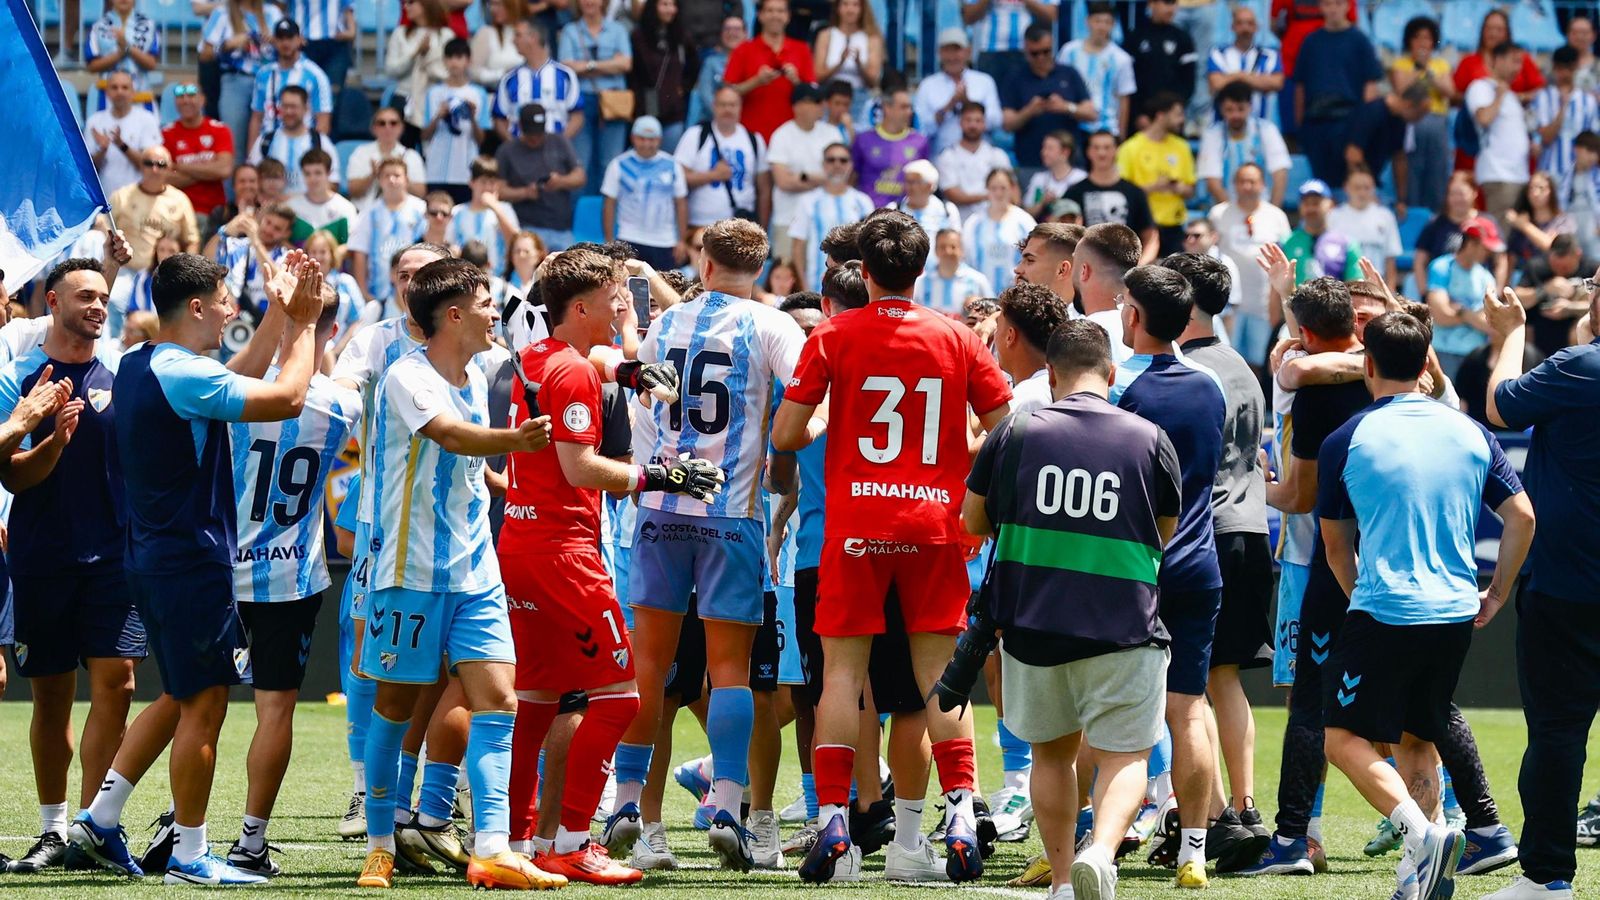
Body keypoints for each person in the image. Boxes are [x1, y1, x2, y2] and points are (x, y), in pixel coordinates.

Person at [66, 251, 323, 885]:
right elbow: (289, 397)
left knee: (181, 693)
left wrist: (277, 314)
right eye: (226, 302)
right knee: (204, 705)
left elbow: (233, 379)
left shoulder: (142, 361)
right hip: (189, 562)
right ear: (200, 306)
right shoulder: (184, 374)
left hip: (154, 559)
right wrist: (304, 323)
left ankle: (99, 820)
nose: (233, 312)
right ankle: (189, 853)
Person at [772, 210, 1012, 885]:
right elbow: (1006, 428)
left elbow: (787, 434)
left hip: (854, 528)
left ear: (865, 270)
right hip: (933, 524)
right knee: (940, 676)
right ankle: (958, 812)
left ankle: (833, 824)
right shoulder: (956, 336)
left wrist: (828, 414)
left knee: (842, 679)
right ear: (922, 267)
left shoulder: (833, 333)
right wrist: (955, 449)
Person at [498, 249, 711, 885]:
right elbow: (580, 468)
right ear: (581, 306)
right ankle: (571, 840)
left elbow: (588, 362)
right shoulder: (570, 371)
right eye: (613, 296)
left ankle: (521, 843)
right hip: (565, 555)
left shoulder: (540, 355)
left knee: (536, 702)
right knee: (620, 698)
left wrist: (628, 369)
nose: (623, 306)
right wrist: (661, 476)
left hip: (522, 545)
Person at [600, 219, 805, 874]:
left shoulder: (667, 324)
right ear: (760, 268)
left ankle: (627, 804)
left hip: (660, 508)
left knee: (649, 667)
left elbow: (640, 390)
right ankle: (726, 808)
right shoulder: (773, 325)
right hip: (731, 514)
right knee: (730, 671)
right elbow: (806, 392)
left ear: (704, 263)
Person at [349, 257, 560, 891]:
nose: (496, 313)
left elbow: (467, 459)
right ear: (453, 314)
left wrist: (500, 481)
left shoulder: (476, 373)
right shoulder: (406, 376)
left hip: (474, 567)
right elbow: (450, 436)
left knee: (498, 699)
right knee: (395, 705)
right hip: (408, 569)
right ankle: (380, 844)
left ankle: (491, 847)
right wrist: (516, 444)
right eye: (486, 303)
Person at [1319, 309, 1533, 900]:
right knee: (1417, 739)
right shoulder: (1470, 431)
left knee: (1340, 738)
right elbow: (1522, 516)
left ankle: (1421, 834)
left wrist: (1363, 599)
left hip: (1385, 608)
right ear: (1426, 366)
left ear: (1367, 364)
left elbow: (1336, 548)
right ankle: (1419, 874)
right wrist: (1497, 591)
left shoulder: (1347, 438)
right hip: (1454, 612)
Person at [963, 316, 1179, 900]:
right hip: (1125, 623)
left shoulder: (1015, 431)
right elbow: (1163, 531)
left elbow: (973, 521)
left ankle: (1062, 881)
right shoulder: (1149, 438)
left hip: (1033, 622)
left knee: (1051, 757)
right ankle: (1102, 852)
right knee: (1126, 755)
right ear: (1111, 374)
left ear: (1050, 375)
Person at [0, 260, 135, 876]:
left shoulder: (124, 375)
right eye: (84, 295)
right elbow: (12, 476)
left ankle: (94, 825)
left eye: (103, 296)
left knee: (119, 685)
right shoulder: (19, 380)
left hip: (114, 561)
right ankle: (53, 829)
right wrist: (53, 440)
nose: (98, 305)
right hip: (42, 559)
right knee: (51, 697)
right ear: (52, 302)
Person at [223, 275, 359, 876]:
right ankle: (251, 842)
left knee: (191, 704)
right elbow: (333, 375)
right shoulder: (341, 406)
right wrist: (310, 326)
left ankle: (178, 829)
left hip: (223, 571)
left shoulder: (236, 389)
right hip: (293, 578)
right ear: (331, 329)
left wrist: (284, 314)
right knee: (275, 712)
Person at [1107, 264, 1227, 888]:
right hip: (1199, 564)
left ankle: (1095, 838)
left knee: (1107, 712)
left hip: (1136, 568)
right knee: (1189, 709)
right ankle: (1194, 853)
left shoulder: (1120, 385)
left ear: (1133, 315)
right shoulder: (1211, 384)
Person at [1481, 280, 1600, 900]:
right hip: (1571, 583)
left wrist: (1513, 333)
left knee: (1556, 735)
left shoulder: (1581, 367)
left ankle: (1547, 878)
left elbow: (1500, 405)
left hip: (1569, 588)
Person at [1166, 251, 1274, 861]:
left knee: (1189, 684)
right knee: (1224, 679)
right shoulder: (1242, 367)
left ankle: (1212, 817)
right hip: (1252, 530)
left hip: (1202, 533)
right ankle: (1245, 804)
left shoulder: (1187, 370)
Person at [1209, 163, 1291, 366]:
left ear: (1263, 184)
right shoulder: (1218, 214)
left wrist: (1276, 305)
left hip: (1262, 306)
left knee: (1261, 361)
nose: (1247, 186)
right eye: (1242, 181)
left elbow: (1285, 259)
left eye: (1252, 181)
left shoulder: (1276, 216)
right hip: (1228, 306)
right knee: (1227, 361)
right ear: (1234, 184)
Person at [1293, 0, 1382, 187]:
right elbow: (1300, 86)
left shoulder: (1360, 41)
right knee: (1321, 184)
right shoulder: (1311, 42)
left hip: (1348, 120)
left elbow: (1370, 86)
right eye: (1328, 4)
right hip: (1315, 122)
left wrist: (1362, 128)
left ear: (1347, 6)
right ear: (1320, 7)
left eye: (1338, 3)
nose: (1333, 9)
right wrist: (1301, 125)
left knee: (1346, 182)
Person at [557, 0, 631, 195]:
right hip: (581, 101)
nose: (589, 2)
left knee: (610, 162)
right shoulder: (570, 31)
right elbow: (566, 67)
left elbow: (625, 64)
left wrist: (587, 66)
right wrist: (609, 65)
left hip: (613, 102)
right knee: (581, 162)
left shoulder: (617, 30)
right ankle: (581, 212)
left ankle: (607, 211)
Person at [770, 83, 850, 256]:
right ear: (798, 106)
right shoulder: (781, 135)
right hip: (788, 219)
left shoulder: (832, 133)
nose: (822, 105)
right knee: (786, 270)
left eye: (822, 100)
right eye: (816, 101)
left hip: (826, 219)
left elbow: (840, 176)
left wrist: (802, 177)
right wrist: (822, 180)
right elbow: (783, 182)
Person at [1002, 24, 1095, 170]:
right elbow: (1007, 124)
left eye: (1046, 51)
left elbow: (1091, 113)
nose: (1041, 57)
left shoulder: (1069, 74)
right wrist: (1029, 111)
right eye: (1035, 53)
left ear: (1053, 47)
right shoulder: (1015, 78)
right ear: (1026, 50)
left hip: (1069, 162)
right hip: (1031, 161)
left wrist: (1065, 107)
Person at [601, 116, 689, 272]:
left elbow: (681, 203)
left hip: (664, 241)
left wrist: (681, 240)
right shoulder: (618, 164)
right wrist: (609, 242)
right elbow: (609, 204)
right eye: (642, 138)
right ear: (633, 138)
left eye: (652, 139)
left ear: (659, 140)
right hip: (629, 238)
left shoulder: (673, 165)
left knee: (664, 284)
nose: (647, 144)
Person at [676, 88, 770, 231]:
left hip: (741, 228)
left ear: (740, 107)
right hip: (701, 225)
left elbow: (764, 189)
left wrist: (762, 230)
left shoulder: (754, 140)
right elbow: (678, 178)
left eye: (732, 105)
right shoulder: (695, 135)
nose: (728, 109)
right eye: (723, 104)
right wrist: (712, 175)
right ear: (714, 106)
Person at [494, 104, 585, 251]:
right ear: (521, 127)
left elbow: (580, 177)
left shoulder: (559, 142)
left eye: (539, 133)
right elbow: (498, 191)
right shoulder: (507, 151)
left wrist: (561, 181)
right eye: (531, 134)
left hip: (560, 229)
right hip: (525, 228)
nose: (535, 138)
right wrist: (525, 193)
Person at [199, 0, 284, 157]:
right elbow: (205, 54)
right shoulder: (222, 13)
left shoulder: (273, 13)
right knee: (233, 144)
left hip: (269, 84)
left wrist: (275, 41)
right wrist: (228, 45)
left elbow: (291, 45)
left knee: (270, 143)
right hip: (236, 81)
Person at [723, 0, 815, 142]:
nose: (775, 15)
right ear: (760, 15)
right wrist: (756, 81)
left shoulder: (802, 50)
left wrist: (796, 81)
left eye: (780, 11)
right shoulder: (743, 50)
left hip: (791, 135)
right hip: (750, 134)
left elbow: (813, 94)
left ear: (788, 16)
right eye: (770, 10)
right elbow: (728, 92)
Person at [1389, 16, 1455, 214]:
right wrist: (1420, 68)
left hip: (1437, 123)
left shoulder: (1441, 65)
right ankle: (1413, 213)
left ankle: (1435, 215)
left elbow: (1449, 91)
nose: (1422, 43)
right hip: (1411, 123)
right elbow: (1402, 89)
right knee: (1412, 171)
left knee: (1437, 172)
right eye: (1417, 37)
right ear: (1409, 41)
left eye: (1427, 38)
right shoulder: (1401, 64)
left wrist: (1427, 72)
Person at [1116, 94, 1196, 256]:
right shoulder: (1130, 148)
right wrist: (1154, 187)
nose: (1181, 120)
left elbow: (1191, 190)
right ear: (1160, 115)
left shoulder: (1182, 147)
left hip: (1174, 226)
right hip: (1141, 225)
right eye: (1177, 114)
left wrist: (1178, 187)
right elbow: (1123, 192)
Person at [788, 143, 872, 292]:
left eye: (843, 160)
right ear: (823, 164)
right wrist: (803, 287)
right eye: (831, 160)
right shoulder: (808, 201)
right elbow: (797, 248)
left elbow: (869, 247)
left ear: (851, 165)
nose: (837, 165)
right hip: (816, 287)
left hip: (856, 289)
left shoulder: (863, 202)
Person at [1426, 216, 1501, 379]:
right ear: (1471, 244)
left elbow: (1492, 324)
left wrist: (1461, 311)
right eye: (1485, 247)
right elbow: (1440, 315)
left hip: (1476, 354)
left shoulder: (1487, 277)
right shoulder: (1442, 267)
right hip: (1444, 352)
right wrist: (1474, 316)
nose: (1489, 253)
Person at [1066, 131, 1158, 264]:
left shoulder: (1135, 192)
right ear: (1088, 151)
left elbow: (1151, 236)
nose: (1101, 153)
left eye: (1107, 147)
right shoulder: (1074, 192)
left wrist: (1138, 267)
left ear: (1116, 150)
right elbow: (1064, 232)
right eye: (1096, 147)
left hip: (1127, 265)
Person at [348, 159, 429, 311]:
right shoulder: (368, 213)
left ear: (406, 179)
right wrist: (364, 293)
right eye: (386, 176)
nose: (392, 180)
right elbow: (359, 253)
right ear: (379, 180)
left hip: (415, 293)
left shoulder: (421, 210)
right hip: (378, 295)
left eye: (397, 175)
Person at [1467, 43, 1533, 226]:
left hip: (1520, 175)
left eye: (1520, 63)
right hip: (1498, 175)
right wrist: (1499, 96)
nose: (1518, 68)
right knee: (1501, 235)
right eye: (1514, 61)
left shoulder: (1510, 95)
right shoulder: (1480, 87)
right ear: (1497, 60)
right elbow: (1483, 118)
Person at [420, 38, 492, 202]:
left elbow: (481, 139)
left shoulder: (478, 93)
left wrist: (472, 117)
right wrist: (438, 116)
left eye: (459, 57)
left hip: (466, 170)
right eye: (450, 57)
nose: (454, 63)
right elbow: (424, 135)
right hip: (437, 170)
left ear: (468, 61)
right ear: (444, 61)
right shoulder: (433, 93)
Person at [1197, 82, 1290, 208]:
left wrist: (1273, 211)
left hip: (1262, 207)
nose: (1235, 115)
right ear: (1221, 109)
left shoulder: (1267, 130)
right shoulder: (1212, 134)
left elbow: (1280, 174)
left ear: (1250, 107)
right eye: (1229, 110)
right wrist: (1233, 213)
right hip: (1224, 208)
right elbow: (1212, 182)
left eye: (1241, 109)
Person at [247, 19, 333, 154]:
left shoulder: (316, 76)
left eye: (290, 38)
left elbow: (323, 120)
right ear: (274, 41)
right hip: (268, 149)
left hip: (303, 149)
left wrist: (313, 153)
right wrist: (252, 154)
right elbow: (256, 118)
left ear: (299, 40)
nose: (285, 43)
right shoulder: (263, 74)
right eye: (280, 38)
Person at [109, 147, 202, 272]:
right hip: (125, 270)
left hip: (164, 274)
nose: (154, 169)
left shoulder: (180, 200)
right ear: (141, 166)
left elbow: (192, 241)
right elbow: (105, 231)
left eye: (161, 164)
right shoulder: (121, 196)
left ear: (169, 168)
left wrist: (186, 272)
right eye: (149, 163)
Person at [914, 29, 1002, 157]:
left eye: (956, 50)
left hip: (980, 158)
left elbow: (995, 122)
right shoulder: (927, 85)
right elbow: (921, 129)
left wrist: (968, 104)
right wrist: (949, 106)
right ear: (939, 53)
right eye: (946, 51)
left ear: (968, 52)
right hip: (940, 158)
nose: (951, 57)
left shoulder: (984, 81)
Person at [1340, 82, 1431, 208]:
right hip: (1345, 182)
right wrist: (1365, 189)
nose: (1421, 119)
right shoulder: (1372, 113)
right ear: (1409, 105)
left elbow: (1399, 159)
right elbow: (1353, 155)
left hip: (1372, 182)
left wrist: (1401, 200)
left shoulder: (1400, 122)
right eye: (1420, 114)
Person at [492, 17, 583, 141]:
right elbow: (499, 119)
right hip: (521, 150)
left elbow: (577, 116)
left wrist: (559, 144)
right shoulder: (509, 79)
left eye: (518, 35)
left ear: (533, 37)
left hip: (555, 149)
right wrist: (514, 145)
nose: (513, 40)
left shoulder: (565, 75)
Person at [164, 84, 238, 233]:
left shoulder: (220, 130)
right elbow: (165, 177)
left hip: (213, 214)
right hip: (177, 213)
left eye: (191, 95)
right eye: (180, 97)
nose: (186, 100)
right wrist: (208, 171)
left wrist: (179, 167)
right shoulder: (166, 133)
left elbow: (224, 170)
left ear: (203, 100)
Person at [630, 0, 701, 152]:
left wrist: (684, 87)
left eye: (673, 5)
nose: (670, 9)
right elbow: (633, 72)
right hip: (646, 104)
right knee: (644, 154)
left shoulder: (682, 36)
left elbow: (694, 65)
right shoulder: (638, 36)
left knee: (670, 156)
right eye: (665, 4)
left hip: (673, 108)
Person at [1057, 2, 1136, 139]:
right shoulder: (1069, 51)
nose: (1102, 26)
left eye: (1107, 22)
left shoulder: (1121, 58)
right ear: (1088, 21)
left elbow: (1124, 99)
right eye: (1098, 21)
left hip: (1106, 128)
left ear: (1113, 25)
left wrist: (1121, 136)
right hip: (1071, 125)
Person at [1514, 234, 1598, 356]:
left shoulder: (1592, 270)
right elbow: (1517, 298)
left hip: (1578, 343)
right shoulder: (1536, 267)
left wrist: (1570, 308)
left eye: (1564, 268)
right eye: (1555, 266)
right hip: (1540, 340)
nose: (1559, 271)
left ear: (1577, 255)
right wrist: (1544, 289)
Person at [248, 86, 339, 196]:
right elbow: (252, 177)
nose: (289, 111)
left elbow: (333, 182)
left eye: (293, 107)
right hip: (273, 205)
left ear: (305, 108)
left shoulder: (321, 142)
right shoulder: (265, 141)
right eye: (285, 106)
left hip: (309, 205)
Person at [85, 70, 163, 196]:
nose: (119, 92)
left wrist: (121, 145)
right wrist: (102, 150)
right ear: (107, 93)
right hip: (106, 197)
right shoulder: (94, 121)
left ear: (133, 92)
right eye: (114, 87)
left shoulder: (147, 119)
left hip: (139, 198)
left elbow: (152, 166)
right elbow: (88, 170)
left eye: (125, 87)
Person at [936, 103, 1017, 222]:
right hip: (960, 222)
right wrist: (990, 196)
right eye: (968, 120)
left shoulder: (998, 155)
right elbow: (952, 194)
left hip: (996, 222)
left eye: (978, 121)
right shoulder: (947, 156)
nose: (973, 125)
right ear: (960, 123)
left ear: (984, 124)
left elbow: (1013, 191)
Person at [1534, 47, 1600, 192]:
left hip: (1581, 178)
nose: (1565, 73)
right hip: (1549, 174)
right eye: (1560, 68)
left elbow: (1594, 142)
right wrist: (1563, 107)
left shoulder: (1588, 101)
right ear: (1554, 68)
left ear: (1577, 67)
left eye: (1569, 68)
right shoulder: (1543, 97)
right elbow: (1546, 137)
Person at [1207, 4, 1283, 127]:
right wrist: (1256, 80)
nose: (1245, 28)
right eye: (1240, 23)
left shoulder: (1269, 55)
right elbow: (1216, 84)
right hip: (1223, 126)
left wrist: (1237, 76)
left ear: (1256, 27)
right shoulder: (1218, 53)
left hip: (1261, 126)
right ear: (1232, 27)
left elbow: (1276, 82)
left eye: (1249, 23)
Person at [1327, 165, 1403, 290]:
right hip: (1342, 288)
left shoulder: (1386, 216)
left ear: (1373, 188)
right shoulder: (1333, 216)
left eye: (1367, 188)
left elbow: (1390, 261)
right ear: (1346, 188)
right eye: (1357, 188)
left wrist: (1390, 294)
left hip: (1377, 287)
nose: (1362, 193)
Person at [851, 88, 928, 208]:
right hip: (871, 212)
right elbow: (852, 178)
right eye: (903, 107)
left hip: (905, 213)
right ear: (887, 108)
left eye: (910, 107)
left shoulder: (920, 142)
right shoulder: (863, 140)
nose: (909, 112)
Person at [963, 169, 1036, 296]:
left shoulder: (1025, 221)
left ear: (1012, 189)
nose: (998, 193)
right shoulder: (973, 223)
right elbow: (966, 259)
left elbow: (1034, 257)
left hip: (1016, 296)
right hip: (980, 296)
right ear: (987, 189)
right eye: (994, 188)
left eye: (1003, 188)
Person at [444, 158, 520, 279]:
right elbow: (448, 243)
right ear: (472, 182)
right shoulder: (458, 211)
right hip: (464, 276)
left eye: (492, 182)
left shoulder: (505, 209)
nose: (488, 187)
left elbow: (515, 241)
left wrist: (495, 207)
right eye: (483, 182)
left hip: (497, 277)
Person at [386, 0, 453, 132]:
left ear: (426, 4)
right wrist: (415, 54)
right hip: (404, 98)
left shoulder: (446, 35)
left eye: (411, 2)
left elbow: (449, 72)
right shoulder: (400, 33)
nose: (406, 6)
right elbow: (391, 70)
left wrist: (426, 59)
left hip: (435, 101)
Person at [811, 0, 883, 125]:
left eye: (855, 5)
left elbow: (873, 80)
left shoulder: (872, 39)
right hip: (830, 97)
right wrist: (840, 63)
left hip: (859, 98)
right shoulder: (826, 35)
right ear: (838, 8)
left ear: (862, 9)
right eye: (845, 4)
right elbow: (817, 75)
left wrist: (859, 64)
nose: (850, 10)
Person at [85, 0, 161, 114]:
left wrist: (127, 48)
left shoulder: (149, 26)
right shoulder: (98, 27)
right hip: (108, 99)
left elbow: (151, 64)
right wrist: (120, 54)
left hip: (141, 97)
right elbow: (92, 66)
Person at [1281, 178, 1360, 286]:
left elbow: (1356, 285)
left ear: (1330, 204)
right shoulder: (1286, 242)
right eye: (1306, 203)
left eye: (1316, 203)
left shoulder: (1347, 243)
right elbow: (1277, 289)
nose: (1311, 208)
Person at [345, 109, 428, 210]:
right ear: (373, 128)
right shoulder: (361, 153)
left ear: (401, 128)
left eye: (393, 123)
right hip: (365, 212)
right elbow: (353, 191)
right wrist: (373, 175)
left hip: (401, 213)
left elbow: (420, 193)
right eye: (382, 123)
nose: (387, 127)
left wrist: (400, 175)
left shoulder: (411, 156)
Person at [1506, 172, 1577, 267]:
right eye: (1531, 188)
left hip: (1552, 270)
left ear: (1551, 191)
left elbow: (1552, 246)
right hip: (1524, 273)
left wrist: (1525, 226)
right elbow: (1511, 257)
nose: (1535, 193)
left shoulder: (1564, 221)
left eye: (1541, 188)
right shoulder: (1520, 221)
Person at [288, 148, 358, 244]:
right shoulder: (291, 206)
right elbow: (280, 240)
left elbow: (352, 244)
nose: (312, 179)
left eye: (318, 173)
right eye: (307, 174)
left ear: (329, 173)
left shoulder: (346, 208)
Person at [916, 229, 992, 316]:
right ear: (935, 250)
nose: (948, 252)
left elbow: (993, 312)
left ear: (961, 250)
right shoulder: (920, 282)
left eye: (953, 247)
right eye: (943, 247)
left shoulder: (978, 280)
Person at [686, 16, 745, 128]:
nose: (732, 33)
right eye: (727, 29)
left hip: (746, 123)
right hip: (712, 123)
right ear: (721, 34)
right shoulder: (711, 62)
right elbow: (706, 95)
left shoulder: (752, 61)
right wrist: (725, 114)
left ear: (745, 34)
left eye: (737, 29)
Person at [290, 0, 356, 95]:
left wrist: (351, 30)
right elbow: (279, 6)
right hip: (303, 44)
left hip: (335, 42)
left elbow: (348, 6)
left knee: (333, 92)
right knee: (301, 90)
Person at [470, 0, 526, 88]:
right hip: (493, 92)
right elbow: (473, 72)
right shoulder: (486, 33)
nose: (493, 9)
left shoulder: (528, 33)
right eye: (491, 4)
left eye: (498, 4)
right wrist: (504, 74)